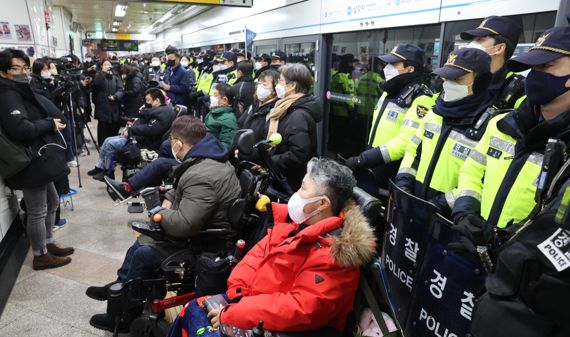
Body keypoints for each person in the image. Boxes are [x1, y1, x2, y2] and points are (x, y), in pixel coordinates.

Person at [168, 158, 376, 336]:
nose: (296, 193)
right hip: (251, 306)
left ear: (322, 203)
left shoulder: (336, 253)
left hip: (288, 330)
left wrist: (236, 312)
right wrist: (235, 295)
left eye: (303, 187)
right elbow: (254, 258)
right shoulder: (293, 224)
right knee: (194, 307)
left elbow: (300, 309)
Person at [87, 116, 241, 332]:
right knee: (141, 242)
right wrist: (169, 196)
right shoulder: (207, 158)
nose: (170, 144)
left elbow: (184, 224)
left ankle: (124, 316)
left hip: (203, 242)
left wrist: (159, 212)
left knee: (143, 252)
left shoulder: (202, 174)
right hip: (201, 229)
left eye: (172, 140)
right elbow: (182, 189)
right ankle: (119, 288)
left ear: (179, 143)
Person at [451, 27, 570, 251]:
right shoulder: (502, 124)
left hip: (528, 273)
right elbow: (471, 170)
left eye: (546, 65)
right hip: (478, 252)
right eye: (532, 67)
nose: (535, 75)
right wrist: (465, 212)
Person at [395, 47, 494, 214]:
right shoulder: (435, 113)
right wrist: (404, 183)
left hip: (449, 217)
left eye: (457, 79)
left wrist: (441, 204)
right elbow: (413, 151)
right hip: (415, 204)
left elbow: (483, 179)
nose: (448, 84)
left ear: (481, 81)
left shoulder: (489, 124)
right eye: (446, 78)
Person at [0, 49, 73, 270]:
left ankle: (48, 243)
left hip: (38, 157)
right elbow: (19, 128)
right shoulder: (6, 94)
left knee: (51, 202)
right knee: (37, 209)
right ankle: (40, 255)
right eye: (16, 68)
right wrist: (49, 123)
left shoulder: (17, 88)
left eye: (24, 67)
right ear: (3, 71)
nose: (22, 72)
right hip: (28, 160)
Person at [345, 44, 436, 189]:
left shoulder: (421, 97)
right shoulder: (390, 90)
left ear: (410, 68)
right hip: (373, 159)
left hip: (391, 165)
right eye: (387, 63)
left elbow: (406, 141)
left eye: (393, 64)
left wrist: (366, 158)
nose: (387, 67)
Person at [88, 88, 176, 181]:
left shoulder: (164, 112)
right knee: (107, 140)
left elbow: (152, 129)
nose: (146, 103)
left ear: (157, 100)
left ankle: (108, 172)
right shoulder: (158, 110)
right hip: (137, 136)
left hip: (142, 141)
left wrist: (131, 130)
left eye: (148, 100)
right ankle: (100, 168)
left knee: (110, 144)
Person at [264, 63, 322, 191]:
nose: (278, 85)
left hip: (291, 182)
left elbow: (298, 155)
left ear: (292, 85)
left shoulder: (298, 115)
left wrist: (270, 161)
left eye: (281, 81)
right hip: (283, 176)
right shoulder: (286, 107)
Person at [460, 15, 526, 109]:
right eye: (473, 40)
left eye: (480, 39)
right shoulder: (461, 76)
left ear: (499, 48)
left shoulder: (519, 89)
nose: (470, 45)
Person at [92, 59, 124, 147]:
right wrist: (103, 73)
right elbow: (95, 85)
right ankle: (102, 146)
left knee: (113, 128)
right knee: (103, 129)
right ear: (101, 66)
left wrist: (116, 96)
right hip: (103, 108)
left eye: (109, 64)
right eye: (105, 64)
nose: (107, 66)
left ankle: (112, 146)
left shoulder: (115, 76)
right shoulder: (98, 75)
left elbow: (121, 89)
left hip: (114, 107)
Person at [205, 83, 237, 150]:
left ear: (225, 100)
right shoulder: (214, 111)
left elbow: (225, 146)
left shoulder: (229, 119)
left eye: (215, 95)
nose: (212, 97)